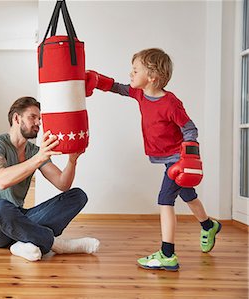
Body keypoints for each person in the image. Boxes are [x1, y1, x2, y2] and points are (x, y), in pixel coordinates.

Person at [85, 48, 221, 271]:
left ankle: (167, 254)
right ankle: (209, 225)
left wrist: (189, 156)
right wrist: (98, 81)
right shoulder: (140, 94)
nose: (131, 73)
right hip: (167, 159)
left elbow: (190, 129)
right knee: (187, 194)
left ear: (152, 77)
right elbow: (119, 88)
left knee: (165, 199)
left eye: (135, 69)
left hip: (178, 159)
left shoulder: (171, 104)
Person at [0, 96, 99, 262]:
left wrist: (72, 161)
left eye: (40, 118)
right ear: (17, 118)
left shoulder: (33, 151)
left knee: (77, 196)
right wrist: (39, 158)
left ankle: (22, 242)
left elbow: (62, 184)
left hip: (18, 218)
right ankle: (55, 244)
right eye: (33, 117)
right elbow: (2, 180)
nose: (38, 122)